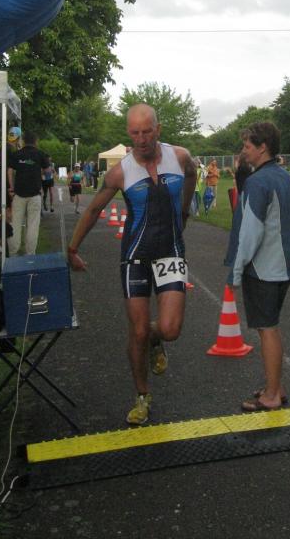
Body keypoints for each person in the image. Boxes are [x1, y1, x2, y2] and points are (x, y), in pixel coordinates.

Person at [67, 104, 196, 424]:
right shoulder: (120, 172)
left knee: (170, 329)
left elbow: (192, 176)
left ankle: (155, 338)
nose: (141, 139)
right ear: (129, 133)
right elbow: (93, 210)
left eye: (147, 131)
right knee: (136, 331)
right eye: (135, 133)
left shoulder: (179, 156)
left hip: (171, 252)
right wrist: (72, 249)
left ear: (158, 129)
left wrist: (184, 211)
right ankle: (142, 396)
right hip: (135, 255)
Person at [225, 121, 290, 411]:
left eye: (247, 146)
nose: (243, 151)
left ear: (263, 147)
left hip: (264, 268)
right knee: (271, 327)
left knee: (267, 329)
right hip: (284, 264)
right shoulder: (283, 176)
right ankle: (276, 386)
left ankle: (271, 395)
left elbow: (250, 233)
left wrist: (235, 271)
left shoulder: (257, 182)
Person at [7, 130, 50, 256]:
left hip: (18, 194)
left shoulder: (17, 154)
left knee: (15, 224)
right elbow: (48, 171)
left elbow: (9, 171)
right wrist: (39, 173)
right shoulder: (40, 154)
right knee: (32, 225)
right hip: (35, 194)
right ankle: (30, 253)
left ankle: (13, 253)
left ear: (23, 141)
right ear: (36, 141)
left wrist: (12, 188)